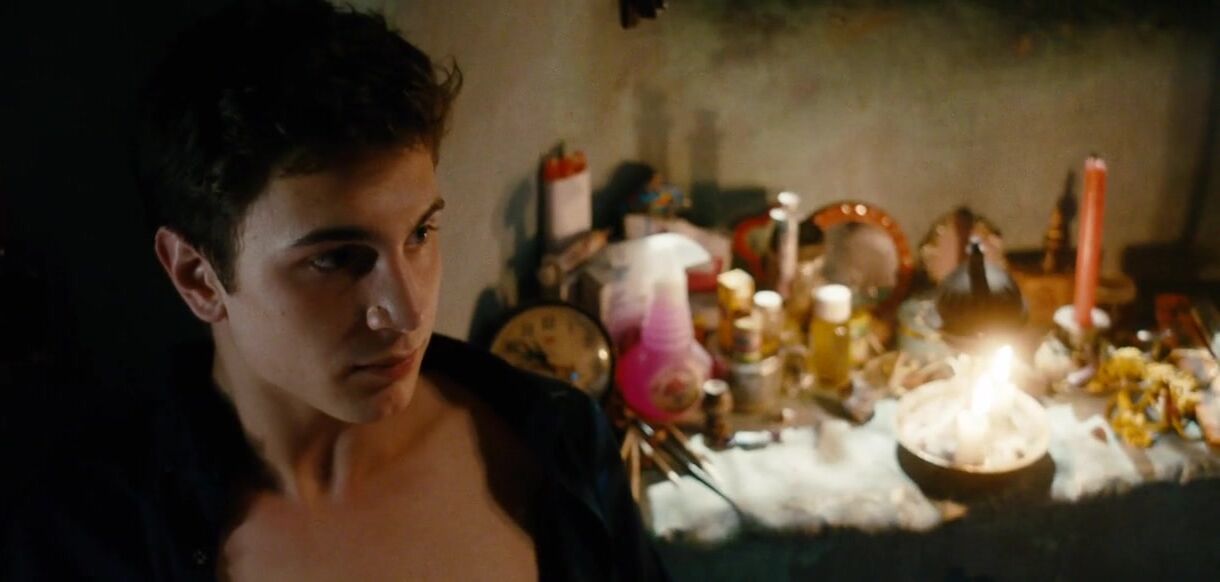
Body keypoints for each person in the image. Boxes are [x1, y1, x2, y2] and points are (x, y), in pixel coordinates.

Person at [2, 1, 667, 580]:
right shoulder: (86, 537)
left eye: (420, 232)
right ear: (197, 277)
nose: (407, 311)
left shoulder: (556, 445)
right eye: (337, 259)